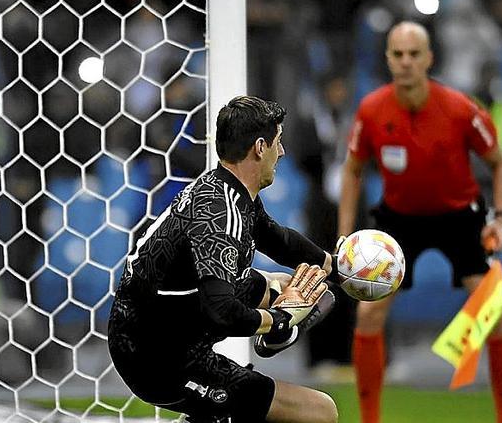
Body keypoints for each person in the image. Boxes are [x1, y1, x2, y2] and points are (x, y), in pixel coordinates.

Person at [109, 95, 339, 423]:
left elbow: (277, 238)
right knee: (320, 412)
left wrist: (332, 263)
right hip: (158, 360)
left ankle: (228, 395)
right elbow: (220, 313)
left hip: (167, 323)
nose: (282, 152)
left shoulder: (227, 189)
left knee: (289, 284)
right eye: (278, 142)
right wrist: (279, 318)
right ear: (260, 147)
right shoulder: (220, 219)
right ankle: (215, 405)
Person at [338, 21, 502, 423]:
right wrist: (344, 233)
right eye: (397, 54)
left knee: (496, 313)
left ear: (429, 58)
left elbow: (500, 163)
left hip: (459, 217)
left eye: (414, 54)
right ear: (387, 59)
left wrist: (501, 218)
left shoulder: (461, 109)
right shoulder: (371, 110)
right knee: (368, 314)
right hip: (399, 220)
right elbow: (352, 170)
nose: (405, 62)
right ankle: (370, 420)